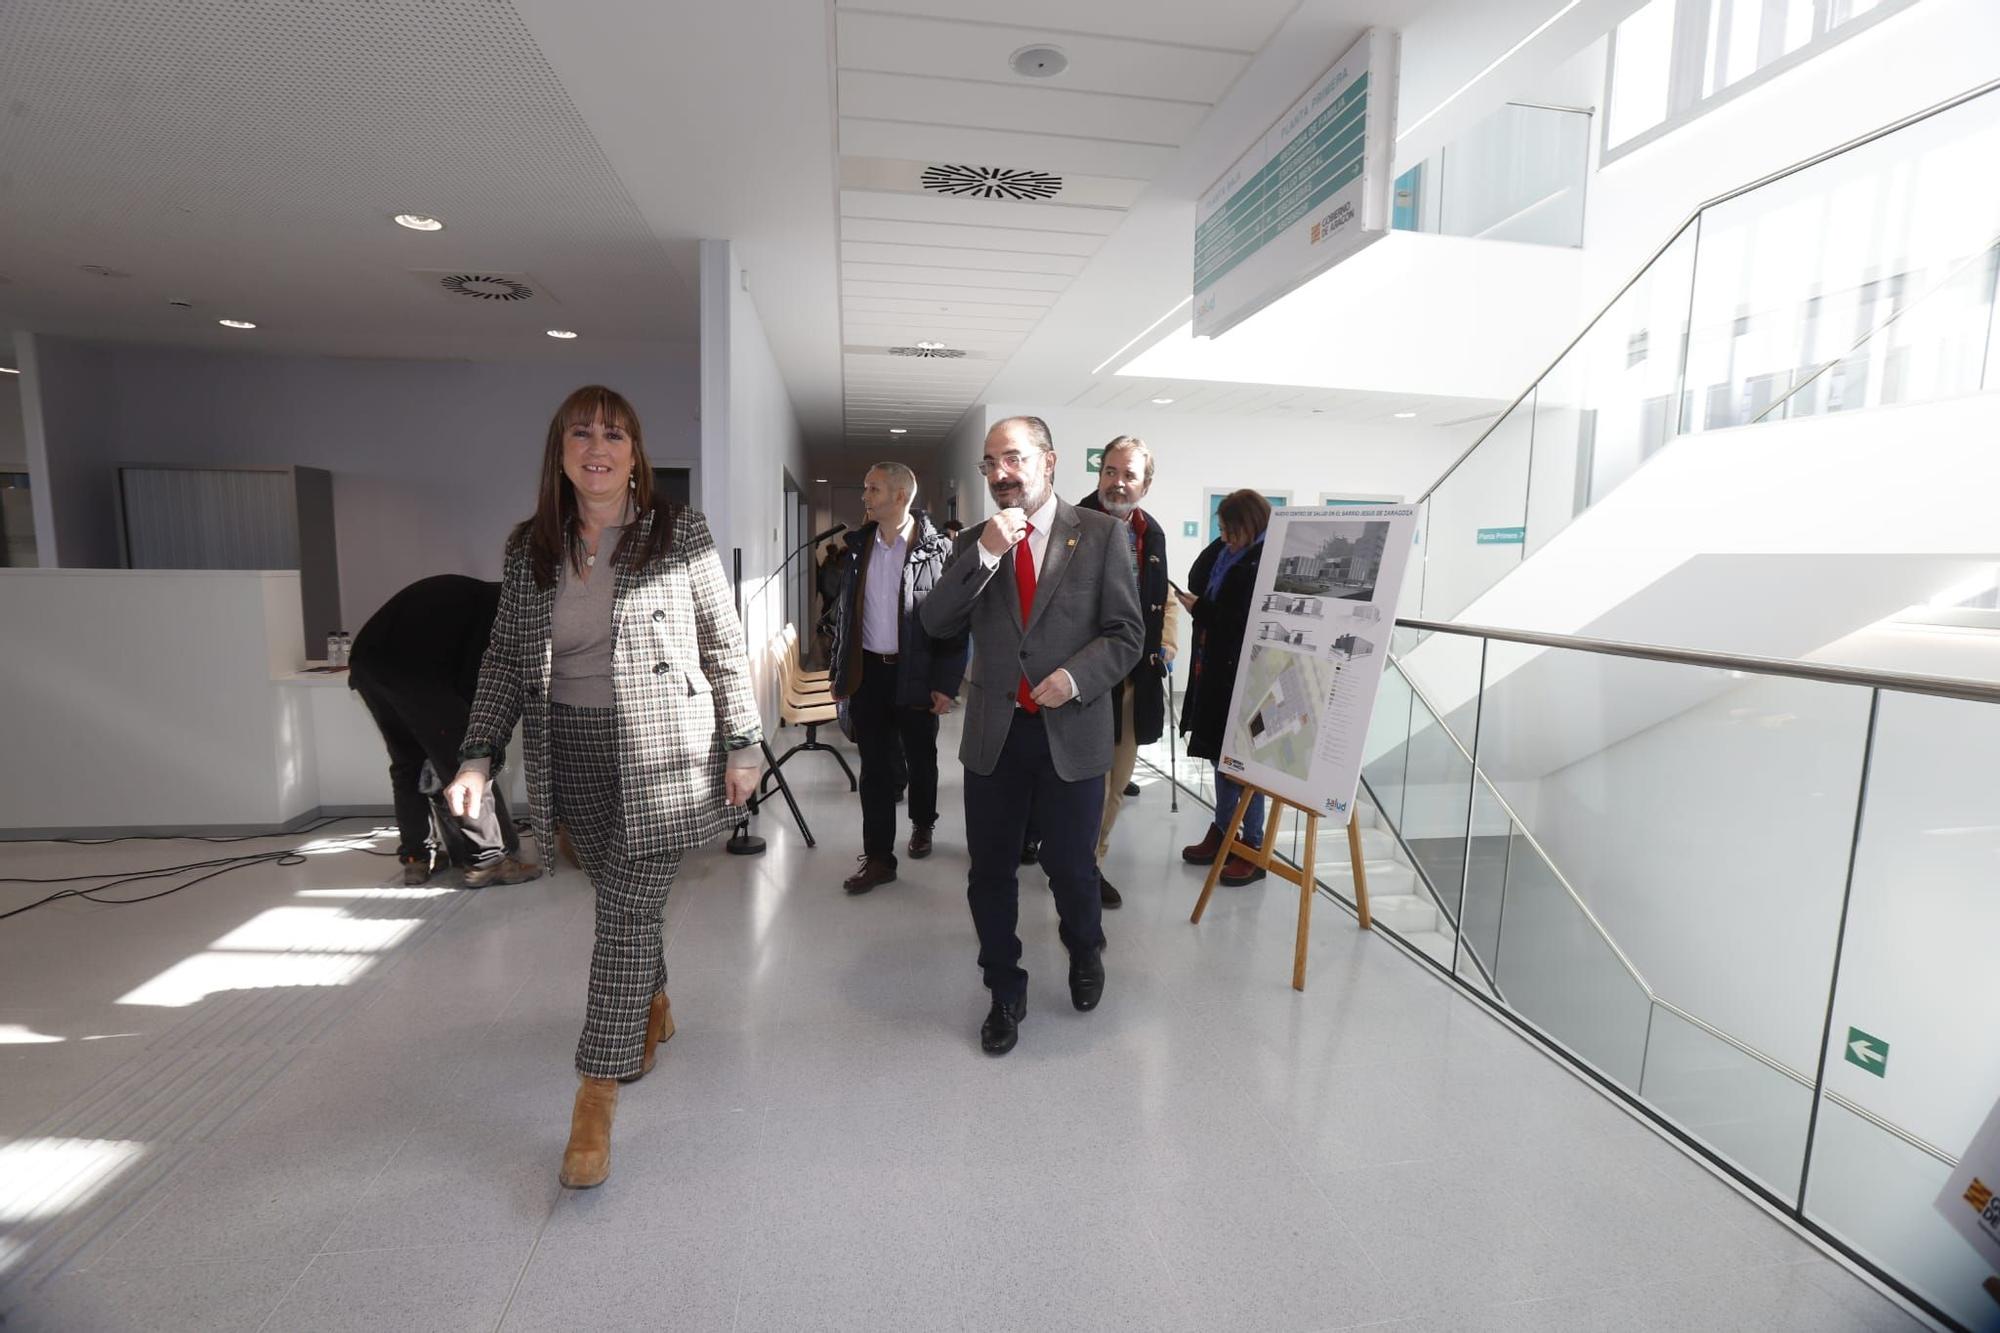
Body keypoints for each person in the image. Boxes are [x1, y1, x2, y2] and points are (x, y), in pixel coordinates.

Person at [444, 384, 762, 1190]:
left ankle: (595, 1096)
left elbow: (723, 642)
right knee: (621, 898)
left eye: (614, 435)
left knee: (622, 911)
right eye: (582, 432)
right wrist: (478, 754)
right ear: (560, 450)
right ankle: (652, 1002)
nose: (598, 446)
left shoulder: (675, 530)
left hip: (662, 751)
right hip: (572, 750)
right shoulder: (530, 548)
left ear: (635, 452)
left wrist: (745, 743)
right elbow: (506, 660)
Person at [920, 416, 1142, 1056]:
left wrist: (1076, 678)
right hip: (995, 735)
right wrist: (986, 553)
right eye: (990, 463)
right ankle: (1003, 988)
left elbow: (1127, 634)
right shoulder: (973, 542)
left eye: (1012, 459)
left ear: (1048, 461)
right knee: (989, 871)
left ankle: (1085, 948)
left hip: (1071, 732)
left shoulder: (1100, 535)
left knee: (1071, 866)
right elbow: (936, 621)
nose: (1000, 474)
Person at [348, 575, 539, 889]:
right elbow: (478, 686)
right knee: (467, 762)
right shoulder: (504, 612)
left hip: (368, 664)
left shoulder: (479, 597)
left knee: (407, 762)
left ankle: (415, 858)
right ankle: (489, 861)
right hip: (416, 671)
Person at [827, 462, 965, 894]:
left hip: (917, 675)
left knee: (921, 758)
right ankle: (879, 859)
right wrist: (839, 669)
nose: (865, 496)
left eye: (874, 488)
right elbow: (846, 615)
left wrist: (945, 682)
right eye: (866, 487)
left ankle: (923, 823)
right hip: (869, 674)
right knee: (876, 770)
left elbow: (956, 623)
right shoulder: (857, 547)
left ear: (901, 496)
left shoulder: (937, 551)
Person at [1075, 436, 1177, 908]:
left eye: (1129, 476)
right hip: (1077, 680)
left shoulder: (1150, 533)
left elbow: (1167, 595)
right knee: (1071, 779)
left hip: (1133, 682)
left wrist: (1167, 643)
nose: (1118, 483)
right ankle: (1059, 849)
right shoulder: (1069, 524)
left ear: (1146, 485)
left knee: (1114, 784)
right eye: (1111, 472)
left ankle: (1089, 863)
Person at [1175, 489, 1272, 886]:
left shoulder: (1265, 560)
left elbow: (1240, 620)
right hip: (1217, 671)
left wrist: (1200, 609)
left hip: (1248, 677)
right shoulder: (1232, 554)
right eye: (1222, 530)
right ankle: (1223, 831)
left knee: (1244, 764)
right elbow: (1197, 576)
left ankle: (1253, 845)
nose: (1227, 538)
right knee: (1220, 757)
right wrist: (1227, 539)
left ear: (1255, 525)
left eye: (1233, 530)